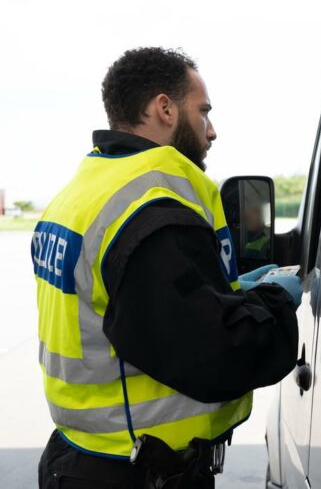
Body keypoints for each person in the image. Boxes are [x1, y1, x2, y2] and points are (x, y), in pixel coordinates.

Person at [32, 47, 301, 488]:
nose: (211, 131)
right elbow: (215, 352)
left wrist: (235, 290)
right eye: (203, 112)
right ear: (165, 108)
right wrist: (278, 298)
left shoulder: (82, 192)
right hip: (135, 472)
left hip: (82, 455)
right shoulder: (152, 204)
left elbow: (138, 309)